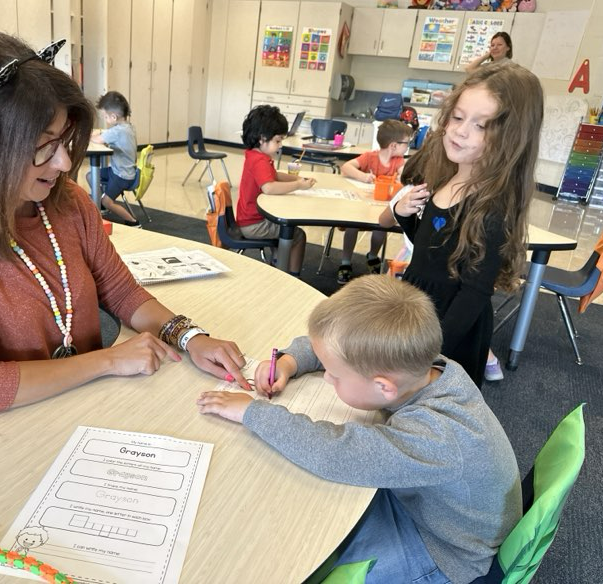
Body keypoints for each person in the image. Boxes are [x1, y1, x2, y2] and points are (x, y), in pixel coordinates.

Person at [0, 28, 247, 417]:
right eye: (43, 145)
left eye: (64, 140)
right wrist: (108, 361)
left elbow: (122, 293)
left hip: (81, 406)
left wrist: (190, 337)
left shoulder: (65, 201)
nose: (62, 163)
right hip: (3, 430)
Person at [197, 275, 521, 584]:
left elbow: (337, 452)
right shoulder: (428, 366)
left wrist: (251, 412)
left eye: (335, 376)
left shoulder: (435, 439)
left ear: (384, 387)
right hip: (432, 509)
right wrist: (290, 361)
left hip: (445, 552)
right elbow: (339, 346)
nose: (327, 377)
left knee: (308, 559)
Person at [393, 61, 543, 387]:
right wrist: (405, 216)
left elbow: (473, 295)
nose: (460, 131)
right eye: (458, 118)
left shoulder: (492, 210)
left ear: (510, 138)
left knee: (432, 411)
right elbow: (430, 250)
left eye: (481, 126)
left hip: (449, 329)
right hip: (418, 305)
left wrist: (432, 354)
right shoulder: (447, 179)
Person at [236, 105, 316, 275]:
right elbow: (270, 187)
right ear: (262, 139)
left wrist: (297, 178)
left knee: (285, 227)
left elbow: (275, 176)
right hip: (253, 224)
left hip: (250, 219)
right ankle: (292, 277)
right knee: (297, 235)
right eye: (278, 141)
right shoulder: (259, 161)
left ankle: (278, 265)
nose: (280, 146)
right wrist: (298, 185)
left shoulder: (257, 155)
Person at [338, 119, 413, 283]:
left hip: (379, 209)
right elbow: (346, 167)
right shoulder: (370, 157)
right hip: (360, 206)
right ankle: (345, 261)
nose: (407, 147)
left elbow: (405, 174)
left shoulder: (398, 161)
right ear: (393, 145)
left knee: (381, 229)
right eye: (406, 143)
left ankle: (372, 255)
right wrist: (363, 176)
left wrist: (403, 176)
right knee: (352, 226)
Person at [89, 91, 140, 227]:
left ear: (113, 117)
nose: (105, 120)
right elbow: (107, 135)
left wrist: (90, 135)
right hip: (121, 170)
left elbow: (96, 139)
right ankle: (102, 204)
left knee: (107, 201)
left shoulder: (118, 131)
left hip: (122, 175)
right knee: (91, 176)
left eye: (105, 117)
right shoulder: (127, 127)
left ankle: (133, 221)